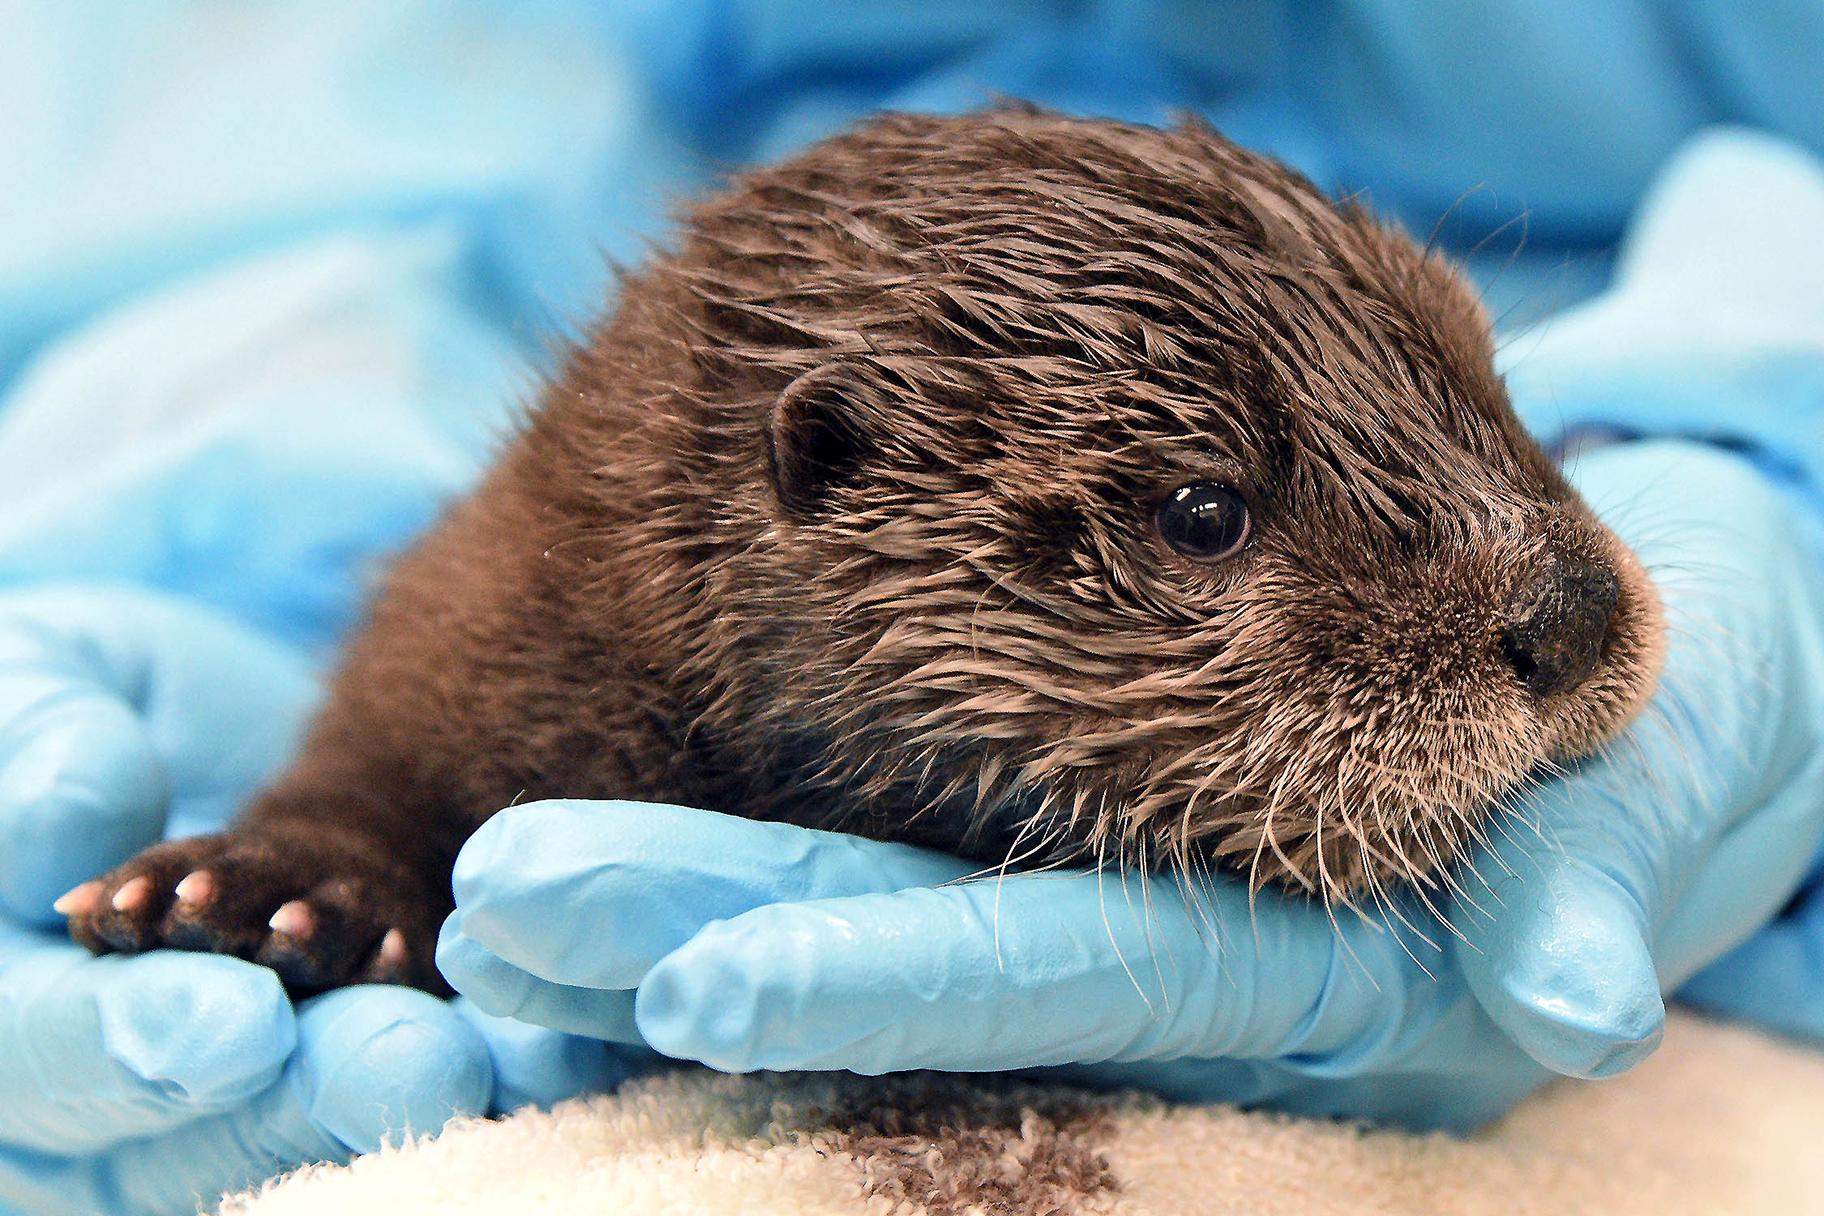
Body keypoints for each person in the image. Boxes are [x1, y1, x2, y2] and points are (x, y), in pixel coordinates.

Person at [3, 5, 1823, 1214]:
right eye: (1204, 515)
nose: (1567, 599)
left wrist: (1769, 450)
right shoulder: (523, 660)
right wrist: (289, 755)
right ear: (825, 481)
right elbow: (308, 111)